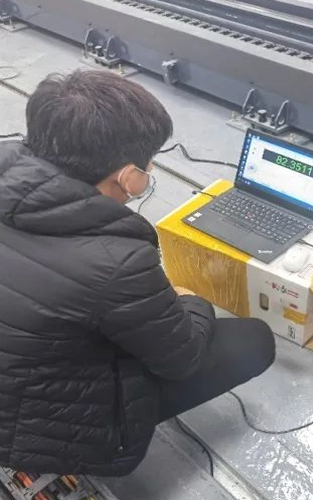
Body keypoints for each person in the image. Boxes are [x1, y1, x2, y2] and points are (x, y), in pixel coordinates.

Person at [0, 70, 275, 476]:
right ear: (130, 177)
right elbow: (182, 360)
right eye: (149, 164)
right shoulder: (117, 261)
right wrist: (191, 301)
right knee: (253, 340)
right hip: (36, 430)